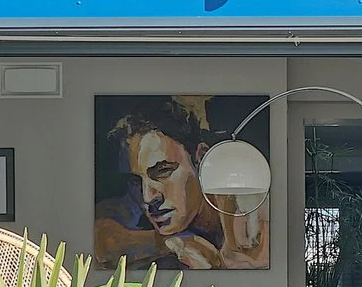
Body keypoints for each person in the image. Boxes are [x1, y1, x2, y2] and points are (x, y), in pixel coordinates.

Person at [93, 97, 270, 270]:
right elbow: (102, 241)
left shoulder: (249, 214)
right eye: (135, 181)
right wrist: (172, 244)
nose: (148, 197)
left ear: (201, 158)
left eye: (163, 171)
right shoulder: (142, 195)